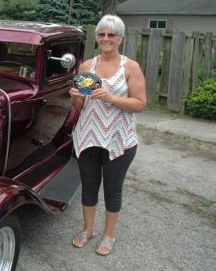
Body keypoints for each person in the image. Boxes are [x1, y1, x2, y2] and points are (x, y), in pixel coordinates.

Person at [69, 14, 146, 256]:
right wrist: (75, 97)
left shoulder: (130, 67)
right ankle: (88, 229)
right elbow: (79, 106)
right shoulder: (86, 67)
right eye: (102, 34)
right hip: (88, 136)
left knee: (113, 188)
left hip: (118, 139)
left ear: (120, 38)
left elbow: (141, 103)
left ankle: (108, 235)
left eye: (111, 34)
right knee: (89, 185)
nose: (106, 38)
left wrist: (111, 97)